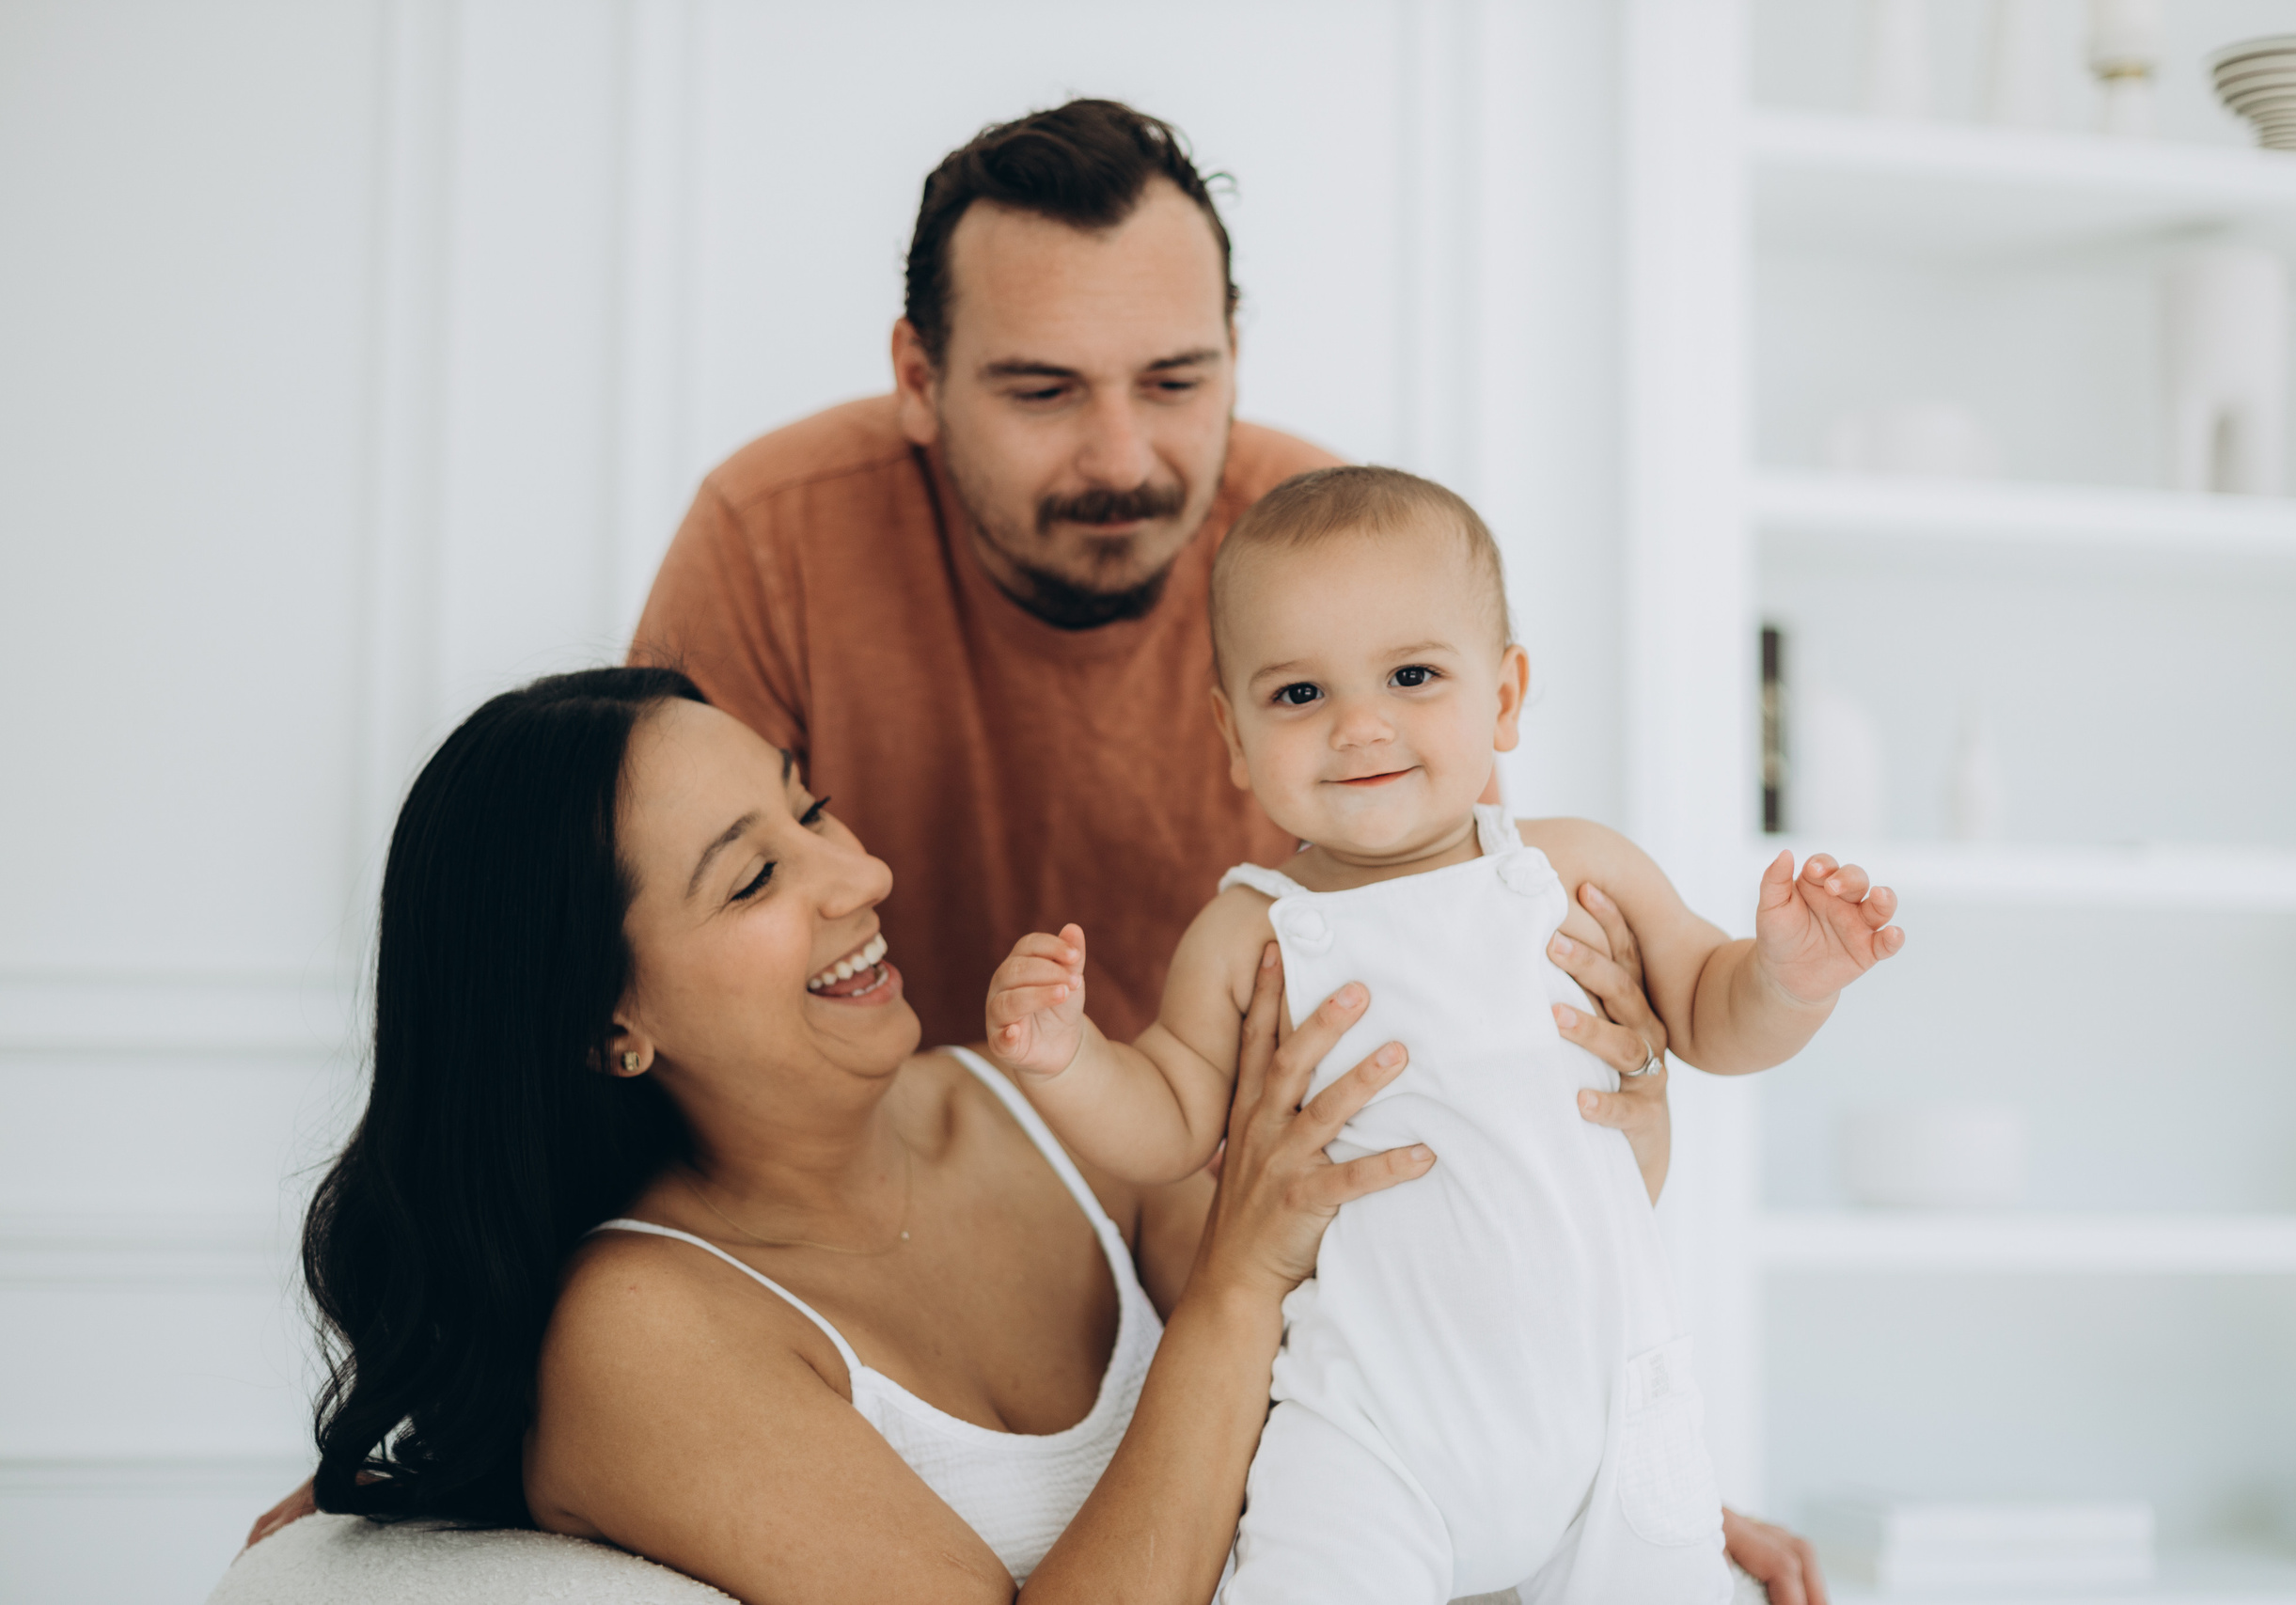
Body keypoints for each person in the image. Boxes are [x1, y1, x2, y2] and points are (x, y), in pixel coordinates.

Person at [624, 96, 1826, 1600]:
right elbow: (648, 939)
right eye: (1044, 389)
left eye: (1178, 380)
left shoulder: (1323, 561)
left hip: (1283, 1256)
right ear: (918, 379)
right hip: (944, 1216)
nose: (1123, 454)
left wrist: (1589, 1461)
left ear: (1237, 353)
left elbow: (1475, 996)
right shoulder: (774, 533)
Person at [279, 667, 1659, 1604]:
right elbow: (1260, 1300)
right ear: (606, 1022)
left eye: (811, 808)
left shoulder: (1037, 1110)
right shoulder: (642, 1330)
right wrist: (1240, 1280)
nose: (861, 873)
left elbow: (1414, 1353)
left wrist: (1610, 1126)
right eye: (755, 876)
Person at [984, 469, 1902, 1602]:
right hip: (1368, 1424)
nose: (1359, 725)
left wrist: (1786, 979)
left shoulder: (1575, 868)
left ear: (1505, 695)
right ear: (1232, 735)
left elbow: (1713, 1015)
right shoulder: (1248, 930)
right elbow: (1168, 1120)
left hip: (1609, 1410)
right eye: (1298, 694)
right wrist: (1070, 1057)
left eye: (1412, 676)